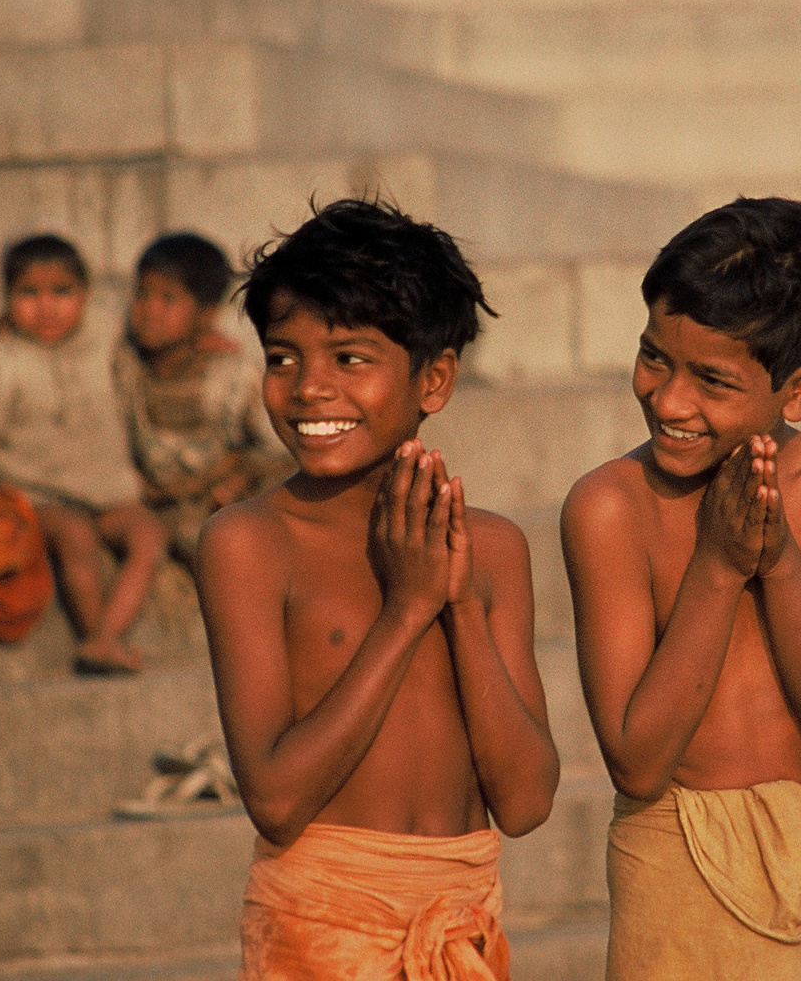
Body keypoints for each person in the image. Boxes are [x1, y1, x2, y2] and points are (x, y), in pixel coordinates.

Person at [195, 199, 559, 981]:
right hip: (322, 927)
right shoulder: (250, 543)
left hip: (462, 922)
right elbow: (277, 800)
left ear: (433, 378)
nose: (307, 390)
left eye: (349, 359)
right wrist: (406, 611)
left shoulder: (492, 549)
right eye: (283, 357)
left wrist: (456, 599)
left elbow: (526, 802)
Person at [561, 197, 801, 980]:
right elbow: (639, 763)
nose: (669, 400)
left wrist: (779, 562)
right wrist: (718, 568)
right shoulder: (610, 506)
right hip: (669, 858)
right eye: (655, 357)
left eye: (711, 380)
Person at [0, 234, 166, 674]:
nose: (46, 308)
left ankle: (107, 634)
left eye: (62, 292)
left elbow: (154, 333)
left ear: (86, 295)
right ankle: (97, 637)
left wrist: (204, 337)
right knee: (76, 537)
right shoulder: (2, 358)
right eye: (28, 294)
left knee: (150, 537)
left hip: (110, 492)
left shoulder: (105, 336)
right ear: (7, 299)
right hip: (40, 496)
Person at [116, 232, 291, 563]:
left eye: (168, 299)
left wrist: (241, 474)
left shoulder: (229, 375)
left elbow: (277, 447)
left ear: (206, 315)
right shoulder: (126, 369)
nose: (150, 310)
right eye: (142, 294)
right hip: (164, 510)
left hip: (225, 502)